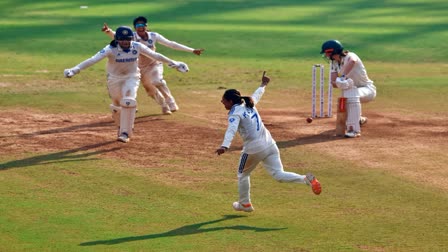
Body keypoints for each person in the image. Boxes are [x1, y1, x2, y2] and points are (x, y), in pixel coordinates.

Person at [215, 72, 322, 213]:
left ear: (230, 101)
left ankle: (244, 204)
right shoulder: (249, 103)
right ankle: (306, 179)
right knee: (278, 174)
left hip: (253, 149)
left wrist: (225, 145)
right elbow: (257, 94)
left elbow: (231, 129)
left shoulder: (235, 112)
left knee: (242, 175)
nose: (222, 102)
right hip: (270, 144)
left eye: (223, 100)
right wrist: (264, 84)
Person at [64, 26, 189, 143]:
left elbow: (155, 55)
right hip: (114, 79)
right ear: (117, 39)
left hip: (132, 77)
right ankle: (120, 128)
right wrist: (74, 70)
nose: (125, 42)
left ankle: (125, 132)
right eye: (122, 40)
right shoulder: (110, 49)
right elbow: (92, 60)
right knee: (117, 106)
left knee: (128, 100)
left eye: (128, 39)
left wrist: (174, 63)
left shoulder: (136, 46)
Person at [102, 16, 204, 115]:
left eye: (142, 25)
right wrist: (109, 31)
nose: (140, 27)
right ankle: (164, 105)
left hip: (154, 64)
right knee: (151, 91)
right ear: (134, 27)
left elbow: (171, 44)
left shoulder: (154, 36)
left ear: (146, 26)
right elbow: (118, 36)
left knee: (157, 81)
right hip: (140, 68)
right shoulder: (131, 36)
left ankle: (171, 102)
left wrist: (192, 50)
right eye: (137, 25)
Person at [320, 39, 376, 138]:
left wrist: (342, 77)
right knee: (348, 93)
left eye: (327, 53)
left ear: (332, 51)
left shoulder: (350, 55)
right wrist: (340, 84)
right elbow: (333, 83)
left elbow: (352, 61)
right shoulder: (334, 64)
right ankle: (358, 119)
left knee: (351, 93)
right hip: (353, 93)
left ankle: (354, 130)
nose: (326, 56)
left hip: (367, 89)